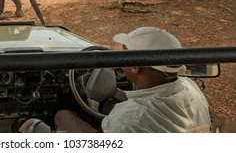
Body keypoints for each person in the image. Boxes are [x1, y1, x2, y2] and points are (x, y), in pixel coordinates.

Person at [19, 26, 211, 133]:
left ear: (135, 66)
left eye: (123, 54)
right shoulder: (190, 86)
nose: (118, 59)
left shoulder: (128, 119)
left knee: (60, 116)